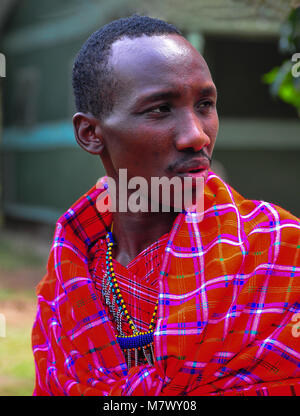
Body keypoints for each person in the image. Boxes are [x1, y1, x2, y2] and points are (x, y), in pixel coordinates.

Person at [31, 14, 300, 396]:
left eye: (205, 104)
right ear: (91, 134)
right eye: (159, 109)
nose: (196, 135)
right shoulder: (68, 281)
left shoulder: (278, 253)